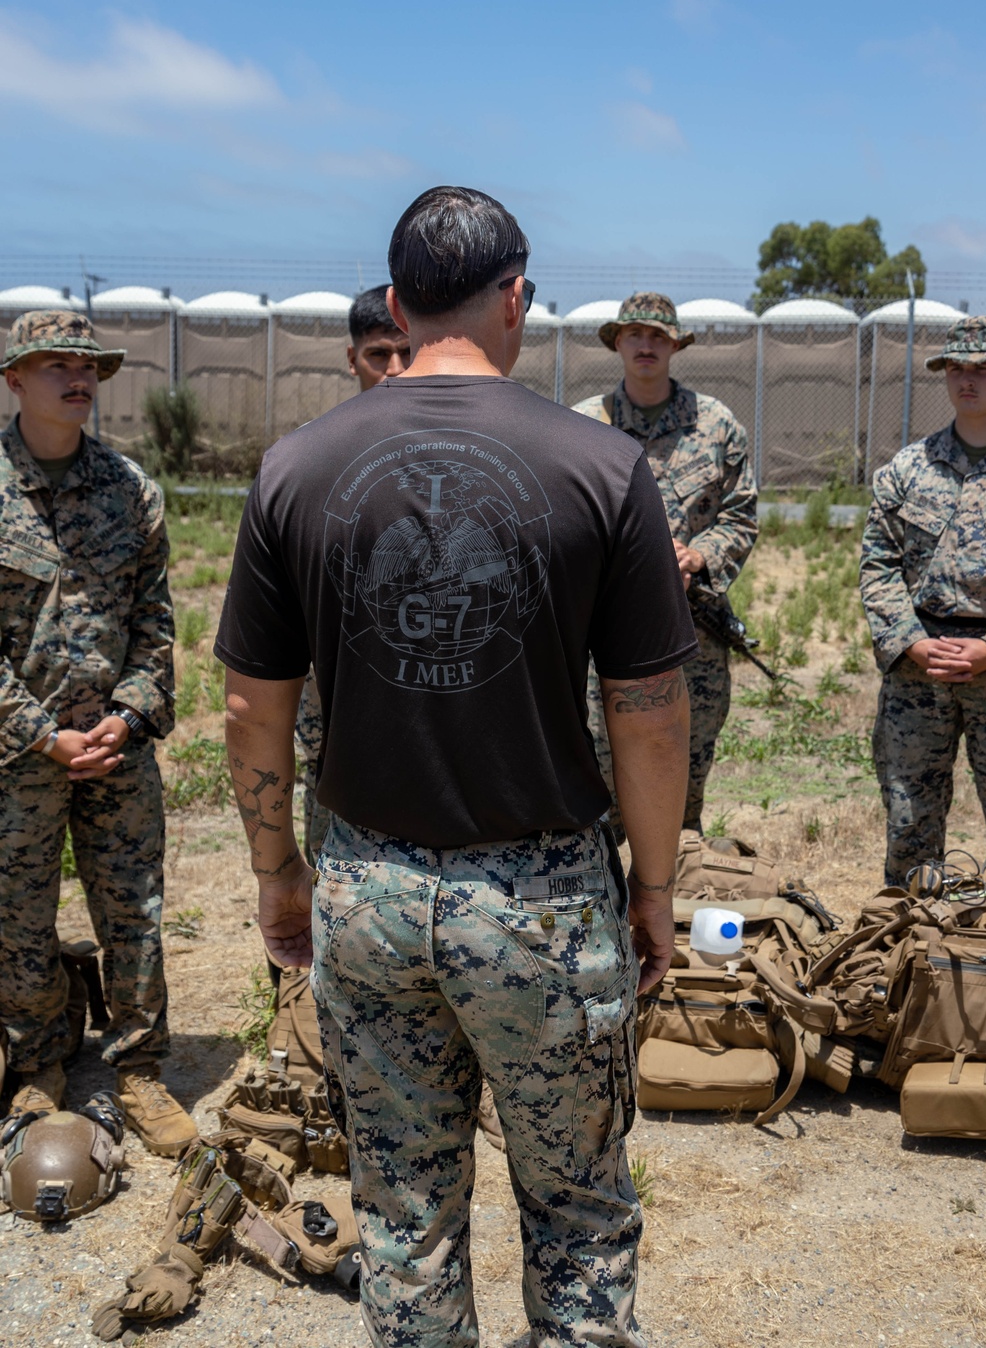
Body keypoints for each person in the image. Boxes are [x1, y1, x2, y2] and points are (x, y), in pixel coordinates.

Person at [215, 186, 697, 1347]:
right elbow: (648, 715)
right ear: (515, 299)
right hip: (536, 901)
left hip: (366, 890)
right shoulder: (601, 468)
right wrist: (653, 890)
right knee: (577, 1211)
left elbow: (248, 705)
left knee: (405, 1215)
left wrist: (279, 874)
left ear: (394, 302)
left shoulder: (296, 467)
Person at [0, 310, 196, 1157]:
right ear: (14, 378)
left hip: (116, 749)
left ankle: (141, 1069)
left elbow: (156, 623)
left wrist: (126, 716)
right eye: (55, 364)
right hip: (18, 756)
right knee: (17, 913)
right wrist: (43, 735)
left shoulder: (131, 490)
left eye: (88, 365)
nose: (77, 378)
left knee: (134, 912)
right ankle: (40, 1061)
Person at [573, 292, 757, 835]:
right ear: (617, 343)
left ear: (675, 344)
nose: (646, 345)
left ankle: (671, 906)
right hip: (603, 632)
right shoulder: (584, 424)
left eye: (657, 336)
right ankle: (607, 905)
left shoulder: (716, 425)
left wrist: (700, 556)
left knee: (684, 775)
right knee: (599, 783)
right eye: (635, 334)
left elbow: (741, 516)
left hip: (691, 632)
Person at [860, 315, 986, 886]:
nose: (967, 380)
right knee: (910, 826)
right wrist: (913, 644)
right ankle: (909, 955)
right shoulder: (907, 470)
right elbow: (878, 565)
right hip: (920, 671)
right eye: (956, 368)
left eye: (983, 368)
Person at [295, 286, 411, 864]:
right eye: (377, 356)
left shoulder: (452, 451)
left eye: (406, 353)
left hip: (428, 687)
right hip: (336, 703)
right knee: (331, 852)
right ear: (351, 360)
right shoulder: (315, 456)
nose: (393, 370)